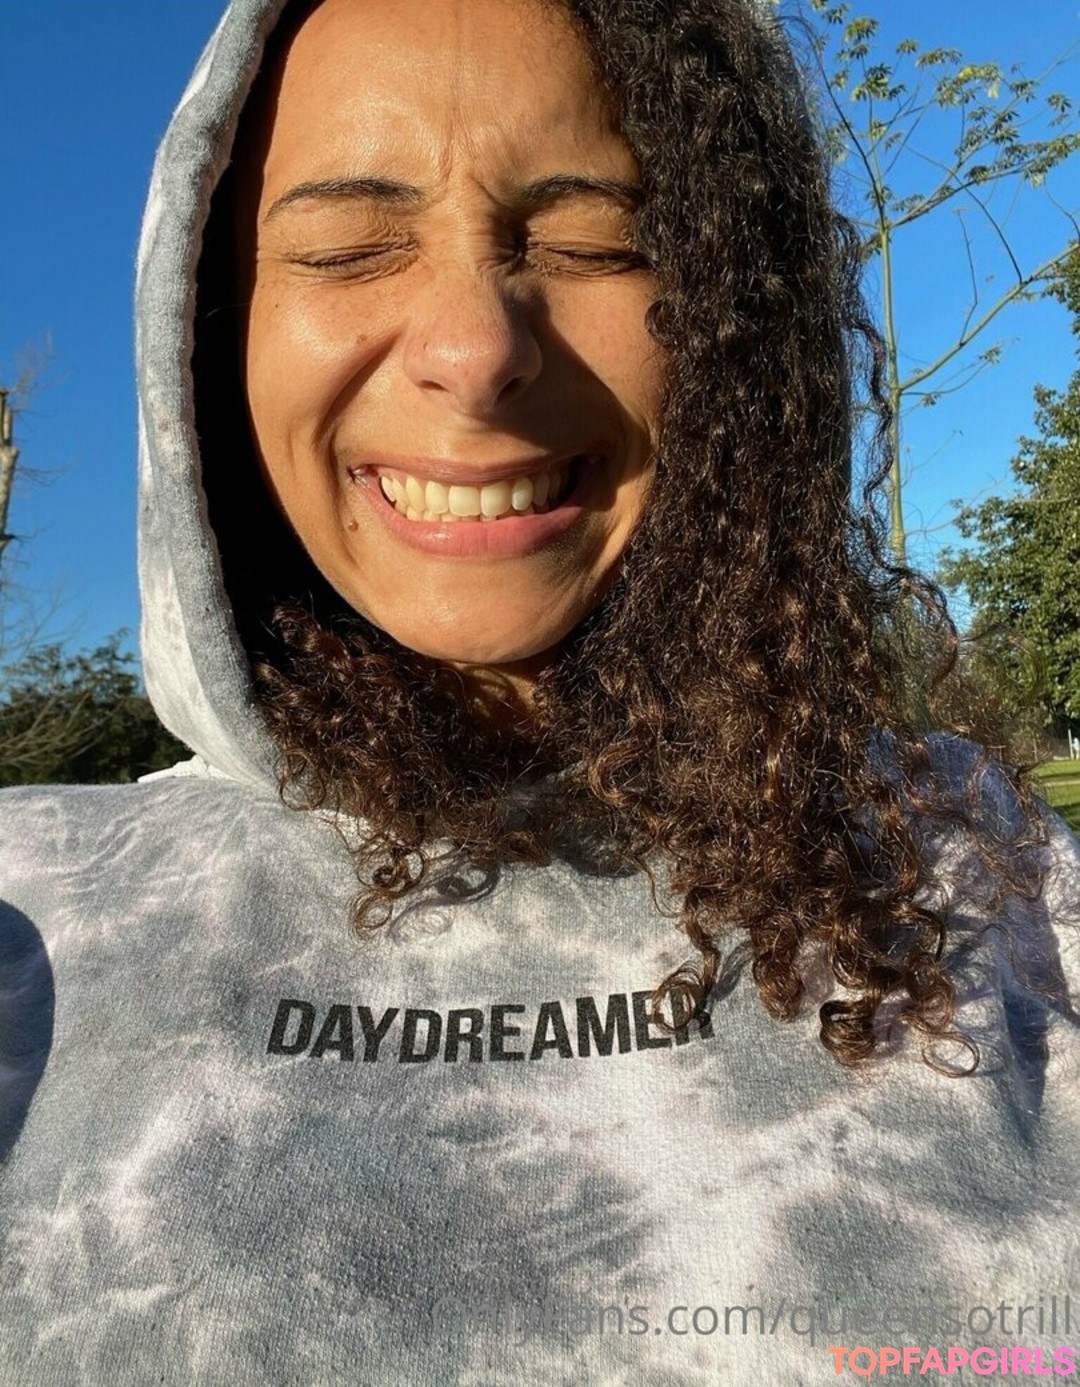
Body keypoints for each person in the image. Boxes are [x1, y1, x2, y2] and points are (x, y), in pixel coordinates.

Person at [2, 0, 1079, 1381]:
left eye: (594, 244)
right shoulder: (39, 916)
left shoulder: (978, 868)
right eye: (348, 248)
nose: (475, 347)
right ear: (206, 341)